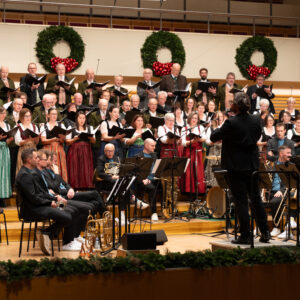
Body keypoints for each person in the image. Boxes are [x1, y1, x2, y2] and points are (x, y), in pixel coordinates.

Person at [210, 92, 270, 244]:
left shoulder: (231, 122)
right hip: (252, 165)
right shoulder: (257, 120)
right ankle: (265, 233)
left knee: (241, 201)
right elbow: (256, 137)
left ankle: (245, 235)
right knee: (256, 199)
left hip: (236, 167)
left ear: (236, 105)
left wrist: (222, 126)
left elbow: (213, 137)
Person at [16, 148, 82, 254]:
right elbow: (33, 197)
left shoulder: (29, 172)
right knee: (67, 216)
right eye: (35, 157)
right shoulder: (24, 175)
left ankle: (47, 233)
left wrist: (55, 198)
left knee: (71, 209)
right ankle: (47, 233)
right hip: (33, 209)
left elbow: (41, 192)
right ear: (29, 160)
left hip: (40, 205)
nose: (37, 159)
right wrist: (50, 203)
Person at [267, 146, 297, 239]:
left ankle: (280, 227)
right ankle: (261, 228)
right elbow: (267, 179)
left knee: (278, 201)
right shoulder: (272, 165)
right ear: (281, 154)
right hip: (271, 191)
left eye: (290, 153)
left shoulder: (291, 166)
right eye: (288, 153)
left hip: (286, 190)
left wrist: (281, 190)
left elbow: (292, 181)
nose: (290, 155)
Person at [66, 111, 96, 189]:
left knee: (86, 168)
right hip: (74, 150)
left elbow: (94, 142)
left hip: (86, 150)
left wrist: (91, 138)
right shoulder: (71, 128)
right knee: (75, 168)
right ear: (77, 119)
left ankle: (86, 187)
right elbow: (67, 142)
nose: (82, 120)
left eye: (83, 118)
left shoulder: (90, 128)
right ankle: (75, 187)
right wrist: (74, 139)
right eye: (80, 118)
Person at [180, 112, 206, 195]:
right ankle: (188, 192)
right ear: (189, 119)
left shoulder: (200, 127)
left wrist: (198, 140)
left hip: (197, 152)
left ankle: (198, 192)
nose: (194, 120)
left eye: (196, 118)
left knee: (197, 171)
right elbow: (183, 142)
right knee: (188, 171)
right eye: (193, 118)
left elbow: (204, 137)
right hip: (188, 151)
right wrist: (191, 141)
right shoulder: (185, 128)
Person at [134, 138, 159, 221]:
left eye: (154, 146)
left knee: (164, 185)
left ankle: (166, 210)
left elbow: (156, 168)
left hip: (154, 178)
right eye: (152, 146)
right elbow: (136, 173)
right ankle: (154, 212)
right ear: (146, 145)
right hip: (143, 180)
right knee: (152, 188)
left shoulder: (154, 155)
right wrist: (143, 179)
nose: (154, 148)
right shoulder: (137, 156)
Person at [40, 107, 68, 182]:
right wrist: (53, 139)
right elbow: (43, 140)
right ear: (48, 115)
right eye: (52, 114)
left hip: (59, 150)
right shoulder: (44, 126)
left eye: (55, 114)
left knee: (60, 167)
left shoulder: (61, 125)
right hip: (48, 150)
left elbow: (64, 140)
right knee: (49, 168)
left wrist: (62, 138)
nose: (54, 116)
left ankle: (62, 186)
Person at [15, 108, 40, 175]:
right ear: (21, 117)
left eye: (29, 116)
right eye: (26, 116)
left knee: (34, 170)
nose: (28, 118)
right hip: (23, 151)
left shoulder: (34, 126)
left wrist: (37, 138)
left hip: (33, 149)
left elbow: (37, 142)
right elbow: (18, 142)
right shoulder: (18, 126)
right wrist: (27, 140)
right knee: (23, 170)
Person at [0, 107, 14, 207]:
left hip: (5, 149)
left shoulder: (7, 125)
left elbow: (8, 141)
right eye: (1, 113)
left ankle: (3, 197)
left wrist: (10, 138)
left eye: (4, 113)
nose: (3, 115)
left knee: (4, 173)